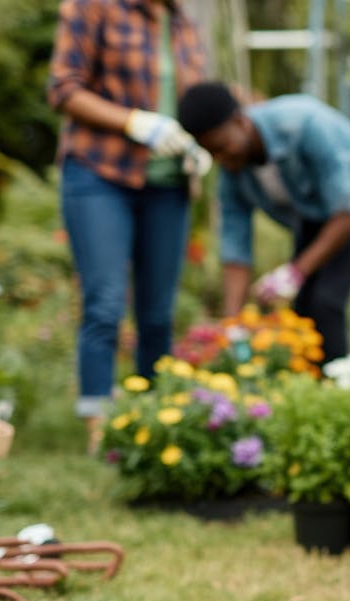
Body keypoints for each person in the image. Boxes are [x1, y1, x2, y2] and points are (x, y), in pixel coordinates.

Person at [48, 0, 212, 453]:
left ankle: (152, 424)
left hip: (168, 184)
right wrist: (134, 122)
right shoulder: (92, 7)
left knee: (158, 314)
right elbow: (62, 88)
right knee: (103, 305)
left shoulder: (183, 21)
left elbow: (192, 102)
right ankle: (100, 431)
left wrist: (197, 144)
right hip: (100, 173)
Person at [176, 82, 350, 363]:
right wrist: (232, 325)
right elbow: (236, 252)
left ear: (240, 121)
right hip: (318, 211)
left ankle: (335, 388)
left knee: (325, 299)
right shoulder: (231, 174)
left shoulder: (302, 124)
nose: (221, 159)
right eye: (211, 153)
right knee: (303, 306)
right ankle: (309, 385)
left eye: (222, 146)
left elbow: (349, 208)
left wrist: (295, 272)